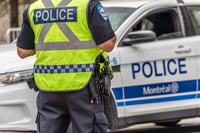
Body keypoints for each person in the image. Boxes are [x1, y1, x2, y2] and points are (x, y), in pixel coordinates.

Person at [16, 0, 116, 133]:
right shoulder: (87, 5)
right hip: (83, 85)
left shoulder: (34, 9)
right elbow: (108, 44)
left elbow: (22, 51)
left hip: (48, 87)